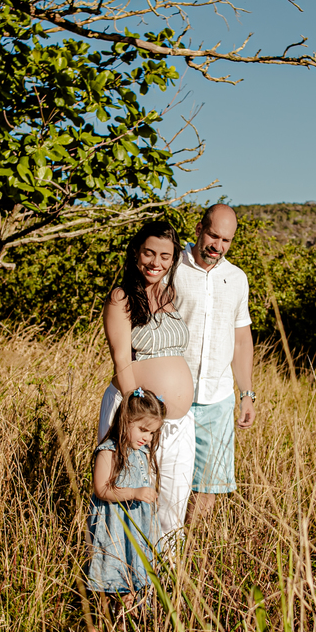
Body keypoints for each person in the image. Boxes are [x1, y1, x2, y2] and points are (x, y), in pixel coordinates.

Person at [99, 221, 196, 547]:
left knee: (174, 496)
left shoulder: (169, 295)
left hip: (179, 420)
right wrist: (136, 419)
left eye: (165, 256)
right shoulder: (121, 298)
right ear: (136, 253)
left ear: (174, 259)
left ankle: (164, 579)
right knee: (130, 496)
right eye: (149, 253)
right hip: (136, 415)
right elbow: (122, 363)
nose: (156, 262)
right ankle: (123, 583)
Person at [175, 204, 255, 525]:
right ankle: (159, 547)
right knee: (167, 480)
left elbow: (241, 339)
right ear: (198, 229)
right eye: (212, 235)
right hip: (172, 397)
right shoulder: (171, 268)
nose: (217, 246)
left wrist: (246, 393)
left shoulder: (237, 279)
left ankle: (184, 553)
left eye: (226, 240)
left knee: (208, 487)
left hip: (217, 399)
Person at [86, 389, 165, 632]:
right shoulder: (108, 451)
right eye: (143, 430)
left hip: (137, 526)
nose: (148, 438)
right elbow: (101, 489)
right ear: (125, 420)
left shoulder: (141, 453)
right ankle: (99, 627)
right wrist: (134, 493)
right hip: (114, 527)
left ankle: (124, 625)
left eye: (152, 432)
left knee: (134, 574)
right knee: (109, 576)